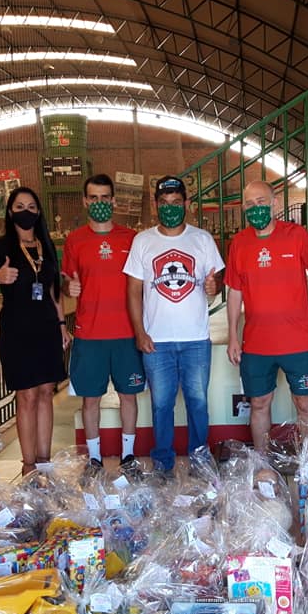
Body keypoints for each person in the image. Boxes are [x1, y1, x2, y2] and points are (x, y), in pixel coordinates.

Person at [225, 179, 308, 451]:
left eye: (261, 202)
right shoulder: (239, 243)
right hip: (256, 343)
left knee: (304, 403)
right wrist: (232, 336)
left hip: (296, 341)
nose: (255, 209)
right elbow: (234, 292)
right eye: (249, 205)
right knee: (259, 403)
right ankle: (262, 465)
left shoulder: (297, 235)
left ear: (275, 203)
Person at [124, 175, 224, 477]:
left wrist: (212, 286)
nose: (170, 208)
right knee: (161, 406)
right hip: (157, 341)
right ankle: (163, 462)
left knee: (198, 403)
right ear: (156, 206)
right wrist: (140, 333)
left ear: (187, 204)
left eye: (176, 203)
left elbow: (215, 282)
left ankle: (199, 459)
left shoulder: (202, 239)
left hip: (195, 338)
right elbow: (133, 290)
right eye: (164, 203)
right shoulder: (143, 240)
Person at [0, 187, 71, 476]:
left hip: (47, 329)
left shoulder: (47, 245)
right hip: (17, 329)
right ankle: (28, 467)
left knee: (45, 392)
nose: (25, 211)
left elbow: (54, 291)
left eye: (31, 206)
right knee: (25, 395)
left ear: (38, 212)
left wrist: (62, 325)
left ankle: (44, 461)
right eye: (19, 206)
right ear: (10, 211)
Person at [61, 174, 146, 480]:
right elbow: (65, 280)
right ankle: (94, 459)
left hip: (125, 333)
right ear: (85, 201)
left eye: (104, 198)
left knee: (128, 396)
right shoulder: (75, 240)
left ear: (113, 200)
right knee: (91, 399)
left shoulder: (132, 238)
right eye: (93, 198)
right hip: (90, 334)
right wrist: (67, 288)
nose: (99, 203)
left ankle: (128, 456)